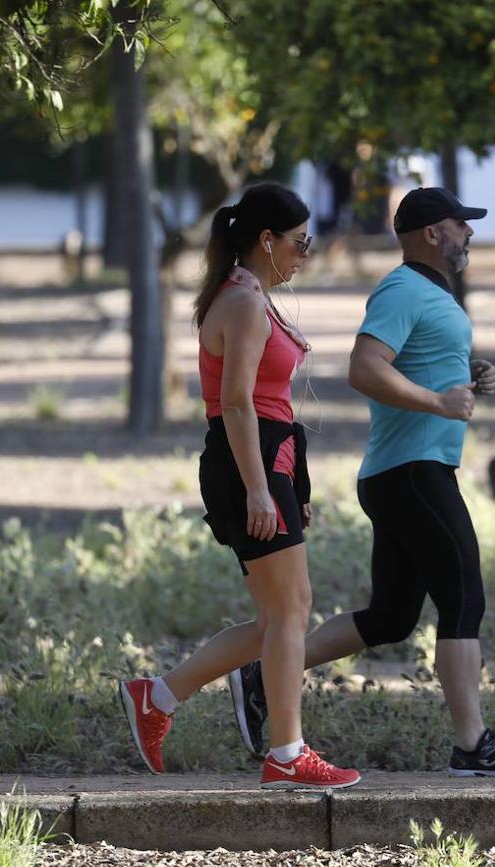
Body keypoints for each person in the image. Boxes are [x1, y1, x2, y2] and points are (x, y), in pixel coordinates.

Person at [227, 187, 495, 777]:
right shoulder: (402, 290)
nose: (470, 234)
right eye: (461, 224)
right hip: (413, 473)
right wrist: (436, 399)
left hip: (404, 471)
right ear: (432, 233)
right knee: (463, 597)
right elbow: (363, 368)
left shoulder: (428, 293)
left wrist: (463, 375)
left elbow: (407, 364)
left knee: (393, 617)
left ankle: (265, 670)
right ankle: (472, 747)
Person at [118, 183, 361, 790]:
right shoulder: (245, 303)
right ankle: (286, 753)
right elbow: (236, 405)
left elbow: (266, 405)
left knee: (279, 618)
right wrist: (258, 487)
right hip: (245, 460)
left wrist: (286, 479)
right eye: (301, 242)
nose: (307, 253)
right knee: (290, 613)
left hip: (267, 458)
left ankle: (160, 696)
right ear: (266, 240)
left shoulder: (252, 295)